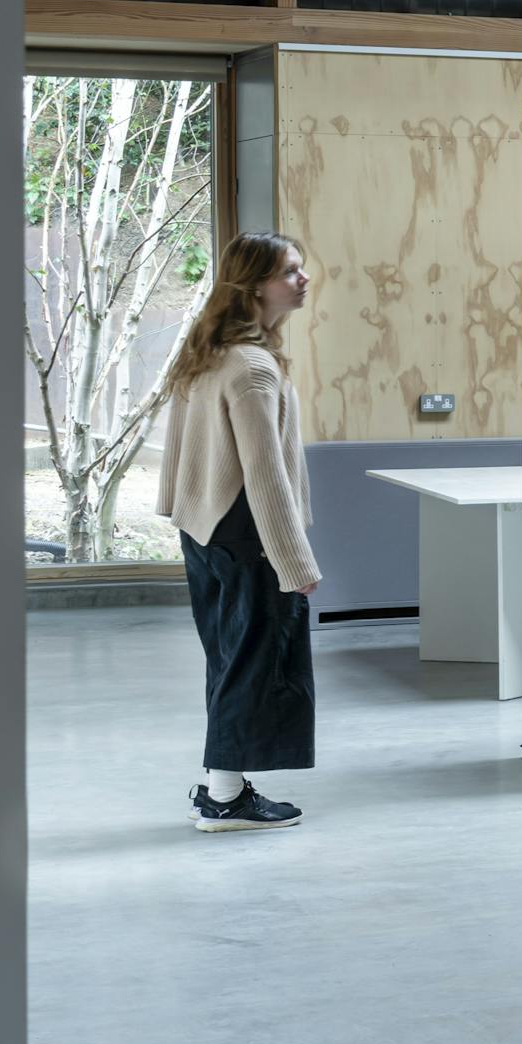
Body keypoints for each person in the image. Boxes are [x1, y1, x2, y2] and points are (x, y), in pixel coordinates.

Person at [154, 233, 322, 832]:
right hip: (247, 529)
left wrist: (180, 510)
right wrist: (295, 562)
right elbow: (266, 475)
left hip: (205, 527)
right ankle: (225, 801)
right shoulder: (251, 366)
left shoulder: (212, 349)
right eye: (289, 272)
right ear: (255, 286)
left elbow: (180, 451)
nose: (303, 280)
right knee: (255, 661)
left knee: (230, 659)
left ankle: (222, 787)